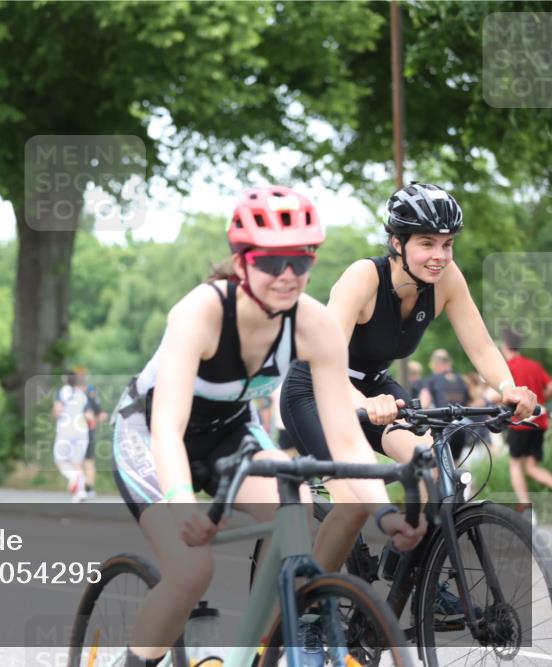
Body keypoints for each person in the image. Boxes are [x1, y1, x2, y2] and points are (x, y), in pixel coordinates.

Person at [116, 187, 424, 667]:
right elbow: (167, 426)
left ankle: (250, 652)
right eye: (270, 262)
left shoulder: (314, 324)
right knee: (192, 569)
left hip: (228, 433)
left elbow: (345, 437)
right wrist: (182, 510)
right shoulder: (200, 312)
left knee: (296, 509)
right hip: (152, 433)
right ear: (241, 261)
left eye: (299, 263)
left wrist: (385, 514)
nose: (286, 277)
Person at [280, 182, 537, 588]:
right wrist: (365, 402)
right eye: (426, 243)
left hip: (377, 390)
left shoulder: (447, 279)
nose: (439, 256)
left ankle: (408, 571)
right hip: (315, 389)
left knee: (436, 473)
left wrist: (509, 387)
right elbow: (325, 365)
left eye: (447, 244)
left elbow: (483, 346)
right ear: (397, 242)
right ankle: (304, 608)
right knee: (353, 506)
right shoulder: (363, 278)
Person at [500, 329, 552, 513]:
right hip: (539, 422)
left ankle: (526, 506)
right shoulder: (535, 365)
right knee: (530, 467)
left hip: (519, 422)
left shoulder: (508, 368)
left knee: (515, 463)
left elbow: (497, 394)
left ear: (505, 344)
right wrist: (541, 398)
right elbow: (550, 386)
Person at [420, 349, 473, 459]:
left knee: (441, 465)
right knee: (456, 464)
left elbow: (423, 404)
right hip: (463, 426)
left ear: (436, 364)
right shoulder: (462, 379)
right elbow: (475, 401)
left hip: (443, 428)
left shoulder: (432, 380)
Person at [53, 374, 95, 502]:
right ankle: (80, 493)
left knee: (61, 461)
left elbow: (58, 409)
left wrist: (55, 416)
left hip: (65, 431)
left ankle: (73, 478)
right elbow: (90, 417)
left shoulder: (62, 392)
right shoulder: (82, 395)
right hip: (82, 432)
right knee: (77, 463)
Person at [75, 366, 109, 498]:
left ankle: (87, 488)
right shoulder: (71, 392)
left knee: (87, 460)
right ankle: (82, 487)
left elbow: (100, 414)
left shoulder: (90, 391)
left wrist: (93, 418)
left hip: (86, 430)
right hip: (75, 430)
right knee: (79, 460)